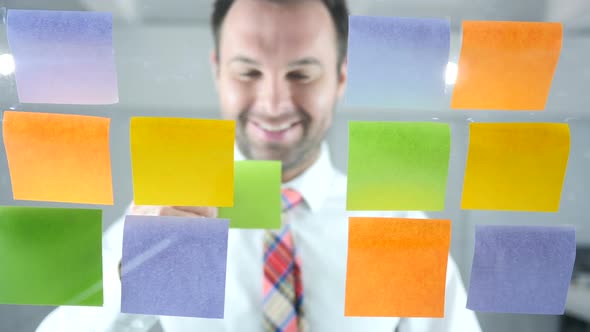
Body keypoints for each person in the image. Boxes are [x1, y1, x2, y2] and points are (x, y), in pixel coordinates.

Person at [38, 0, 482, 331]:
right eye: (248, 72)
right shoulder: (161, 219)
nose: (272, 104)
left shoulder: (399, 227)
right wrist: (125, 277)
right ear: (217, 72)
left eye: (301, 74)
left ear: (341, 77)